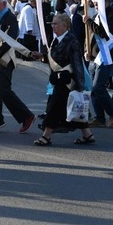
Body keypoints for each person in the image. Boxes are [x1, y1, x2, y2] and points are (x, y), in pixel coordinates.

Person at [30, 13, 94, 146]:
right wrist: (42, 56)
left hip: (68, 81)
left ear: (65, 25)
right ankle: (88, 135)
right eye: (52, 24)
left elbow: (77, 63)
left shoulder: (72, 41)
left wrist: (80, 85)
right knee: (72, 107)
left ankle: (46, 136)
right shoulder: (56, 40)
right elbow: (56, 58)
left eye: (56, 24)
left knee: (54, 107)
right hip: (59, 79)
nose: (53, 26)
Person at [0, 0, 36, 133]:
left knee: (3, 90)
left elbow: (8, 40)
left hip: (6, 59)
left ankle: (27, 116)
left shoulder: (10, 18)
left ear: (4, 4)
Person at [83, 0, 113, 128]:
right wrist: (87, 50)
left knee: (98, 87)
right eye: (95, 3)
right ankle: (99, 118)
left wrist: (89, 22)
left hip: (106, 57)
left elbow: (103, 34)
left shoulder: (112, 16)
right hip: (95, 57)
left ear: (106, 3)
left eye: (98, 3)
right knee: (94, 90)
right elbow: (91, 36)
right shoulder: (99, 16)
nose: (95, 5)